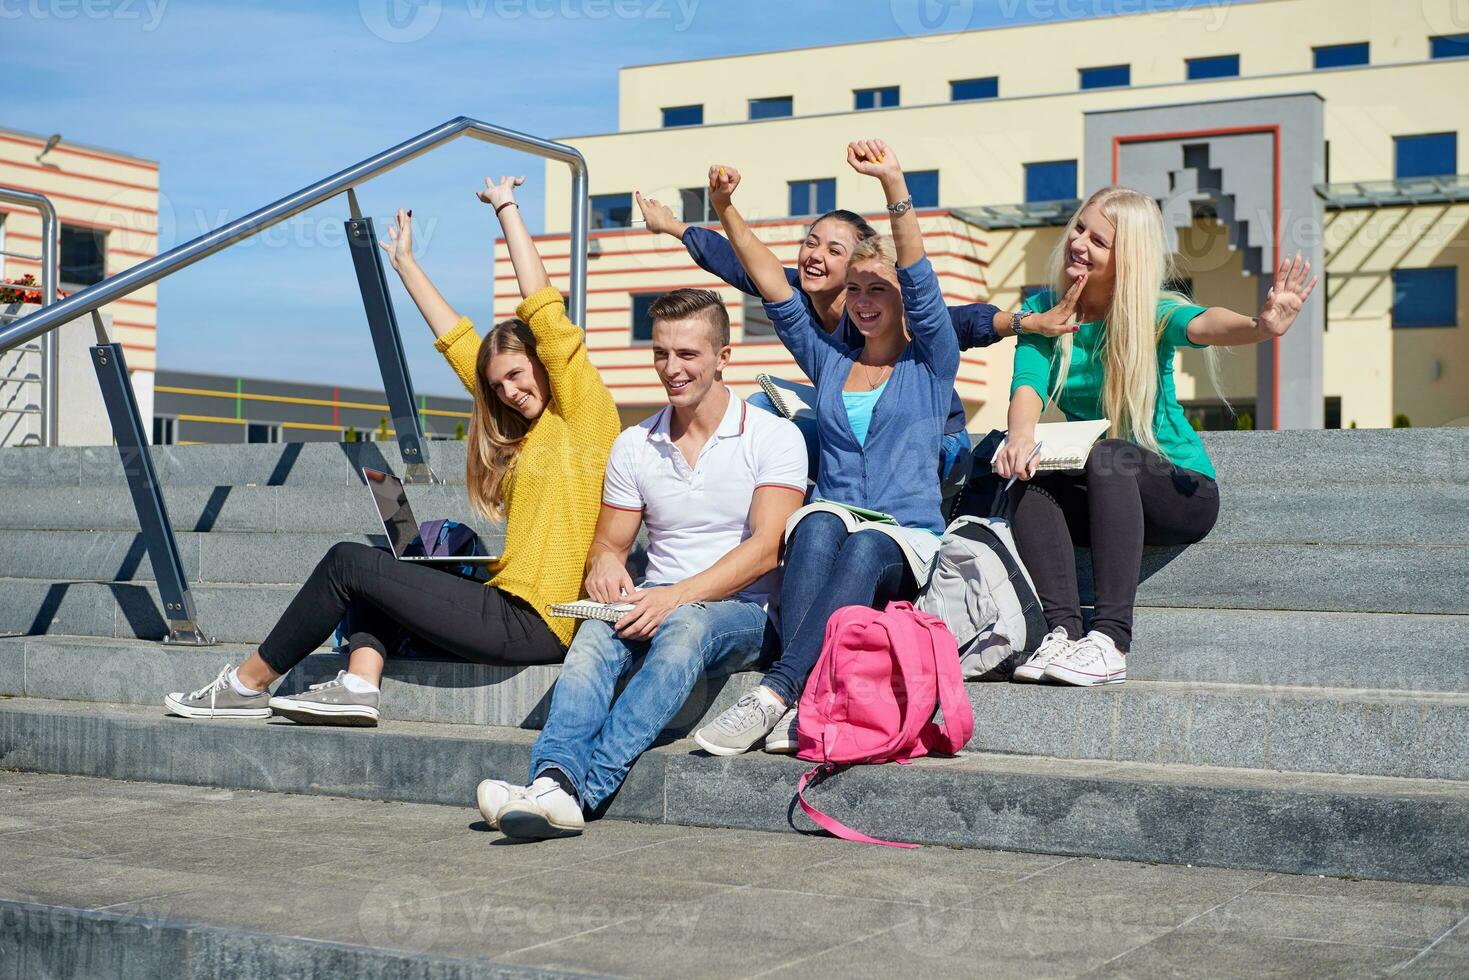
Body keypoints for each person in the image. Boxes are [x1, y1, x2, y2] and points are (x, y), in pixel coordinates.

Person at [163, 176, 621, 725]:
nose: (508, 392)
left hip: (535, 620)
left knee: (346, 562)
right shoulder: (531, 426)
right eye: (496, 386)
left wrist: (506, 208)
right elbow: (460, 346)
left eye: (517, 376)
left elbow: (544, 309)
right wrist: (405, 265)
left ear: (545, 363)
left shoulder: (585, 418)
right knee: (380, 564)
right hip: (508, 607)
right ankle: (359, 682)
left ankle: (246, 684)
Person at [477, 288, 808, 839]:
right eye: (661, 354)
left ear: (724, 357)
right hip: (655, 597)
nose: (671, 369)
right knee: (594, 634)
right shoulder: (636, 444)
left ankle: (581, 790)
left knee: (686, 624)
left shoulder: (774, 436)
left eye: (688, 355)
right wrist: (603, 565)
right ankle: (553, 778)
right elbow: (608, 543)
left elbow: (767, 547)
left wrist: (674, 596)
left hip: (746, 611)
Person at [691, 140, 960, 756]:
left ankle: (777, 690)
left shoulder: (931, 361)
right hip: (834, 515)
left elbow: (918, 273)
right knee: (812, 527)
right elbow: (769, 282)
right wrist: (725, 209)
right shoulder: (831, 359)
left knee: (866, 542)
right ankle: (808, 695)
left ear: (901, 302)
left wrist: (894, 183)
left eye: (878, 291)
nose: (863, 302)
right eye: (857, 289)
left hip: (903, 531)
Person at [994, 186, 1318, 687]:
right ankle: (1061, 632)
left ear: (1126, 256)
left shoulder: (1149, 311)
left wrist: (1260, 325)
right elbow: (1027, 387)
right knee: (1026, 479)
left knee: (1110, 457)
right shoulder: (1043, 310)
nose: (1079, 243)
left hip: (1179, 492)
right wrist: (1019, 439)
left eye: (1098, 240)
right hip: (1104, 490)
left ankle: (1110, 642)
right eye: (1079, 228)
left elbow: (1204, 323)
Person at [637, 185, 1083, 482]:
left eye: (834, 250)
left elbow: (959, 321)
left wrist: (1027, 322)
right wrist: (674, 226)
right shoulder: (794, 294)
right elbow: (733, 260)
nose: (815, 255)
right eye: (811, 242)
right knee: (758, 408)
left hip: (929, 438)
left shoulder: (882, 307)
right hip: (855, 424)